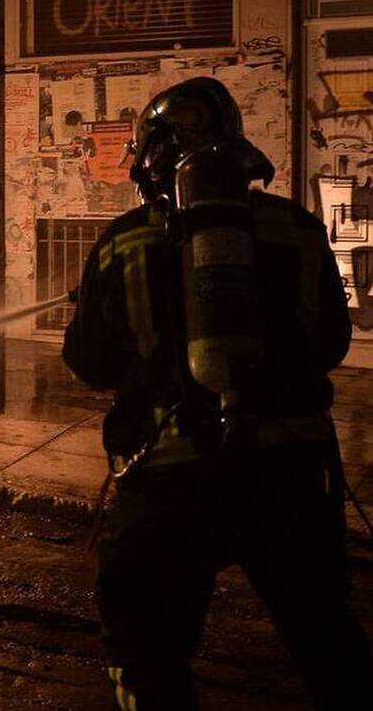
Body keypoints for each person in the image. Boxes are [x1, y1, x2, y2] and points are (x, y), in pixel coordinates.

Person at [63, 76, 372, 710]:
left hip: (170, 477)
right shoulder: (299, 228)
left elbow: (91, 363)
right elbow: (330, 344)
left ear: (151, 158)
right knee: (325, 639)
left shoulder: (124, 240)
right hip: (289, 471)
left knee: (146, 654)